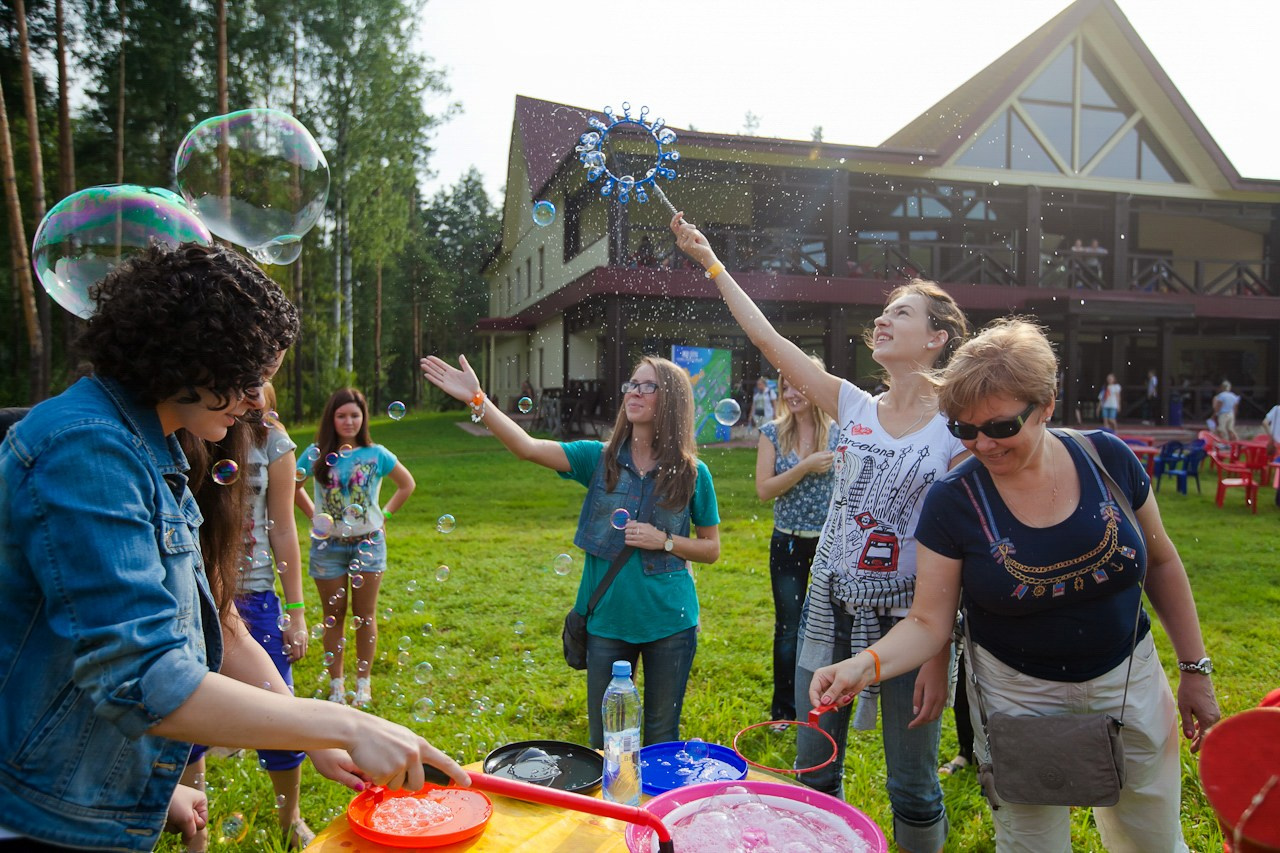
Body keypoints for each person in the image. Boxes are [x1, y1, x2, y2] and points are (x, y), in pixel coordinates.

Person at [0, 244, 466, 852]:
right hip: (38, 816)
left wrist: (314, 736)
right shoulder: (87, 450)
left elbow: (218, 619)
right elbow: (142, 677)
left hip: (81, 794)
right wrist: (344, 722)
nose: (256, 401)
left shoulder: (151, 445)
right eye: (249, 380)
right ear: (191, 361)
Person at [811, 318, 1220, 853]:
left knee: (1151, 840)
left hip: (1129, 680)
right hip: (1017, 698)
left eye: (1001, 427)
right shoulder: (952, 500)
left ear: (1046, 404)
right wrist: (863, 665)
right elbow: (929, 621)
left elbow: (1162, 563)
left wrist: (1194, 670)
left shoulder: (1107, 458)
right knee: (1032, 844)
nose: (982, 443)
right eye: (962, 429)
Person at [673, 212, 968, 853]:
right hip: (827, 608)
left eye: (903, 313)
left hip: (909, 620)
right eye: (884, 313)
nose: (883, 321)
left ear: (938, 337)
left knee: (912, 782)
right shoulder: (853, 405)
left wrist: (939, 652)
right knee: (814, 770)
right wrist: (712, 263)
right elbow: (770, 340)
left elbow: (964, 545)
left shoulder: (956, 429)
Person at [422, 353, 720, 748]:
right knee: (606, 743)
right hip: (607, 624)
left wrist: (662, 540)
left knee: (662, 739)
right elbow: (526, 447)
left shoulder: (693, 473)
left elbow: (711, 548)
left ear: (673, 401)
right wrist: (479, 400)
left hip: (671, 623)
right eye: (632, 384)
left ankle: (655, 812)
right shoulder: (599, 460)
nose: (634, 392)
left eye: (649, 386)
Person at [180, 383, 315, 851]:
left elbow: (283, 526)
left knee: (279, 712)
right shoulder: (191, 433)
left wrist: (295, 611)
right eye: (243, 388)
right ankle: (193, 831)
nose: (251, 400)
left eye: (259, 389)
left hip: (255, 597)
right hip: (193, 591)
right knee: (188, 714)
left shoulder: (276, 444)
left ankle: (290, 817)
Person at [297, 388, 416, 708]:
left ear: (363, 418)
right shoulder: (315, 453)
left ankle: (363, 684)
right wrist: (314, 517)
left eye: (354, 415)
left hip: (369, 543)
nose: (348, 421)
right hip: (328, 547)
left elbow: (407, 484)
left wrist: (385, 515)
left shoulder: (376, 454)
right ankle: (336, 684)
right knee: (332, 616)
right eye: (341, 415)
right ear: (331, 419)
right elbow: (293, 485)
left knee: (365, 616)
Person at [755, 356, 838, 724]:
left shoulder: (839, 431)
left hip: (828, 546)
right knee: (788, 628)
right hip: (787, 543)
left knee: (825, 628)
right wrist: (804, 466)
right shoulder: (772, 432)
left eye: (798, 384)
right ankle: (784, 711)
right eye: (785, 385)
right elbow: (764, 489)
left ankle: (822, 706)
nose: (790, 393)